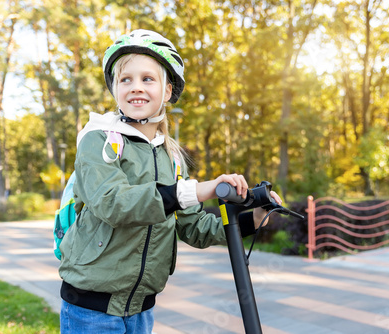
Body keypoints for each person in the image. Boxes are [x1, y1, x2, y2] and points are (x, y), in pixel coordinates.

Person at [58, 29, 282, 334]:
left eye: (147, 79)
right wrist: (198, 189)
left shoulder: (170, 158)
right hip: (91, 308)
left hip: (141, 309)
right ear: (114, 89)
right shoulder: (99, 140)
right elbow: (114, 203)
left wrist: (253, 219)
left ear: (166, 91)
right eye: (126, 79)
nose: (136, 87)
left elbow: (195, 228)